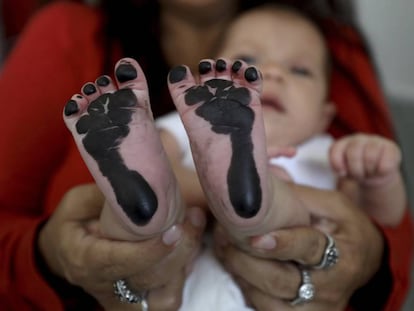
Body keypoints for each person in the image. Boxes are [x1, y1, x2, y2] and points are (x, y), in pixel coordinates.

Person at [0, 0, 412, 310]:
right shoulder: (189, 120)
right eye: (248, 63)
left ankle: (239, 196)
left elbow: (385, 224)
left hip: (248, 263)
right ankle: (157, 200)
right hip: (174, 272)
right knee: (136, 210)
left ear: (327, 111)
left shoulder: (326, 149)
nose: (275, 73)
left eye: (300, 71)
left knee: (292, 206)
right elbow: (161, 152)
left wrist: (379, 176)